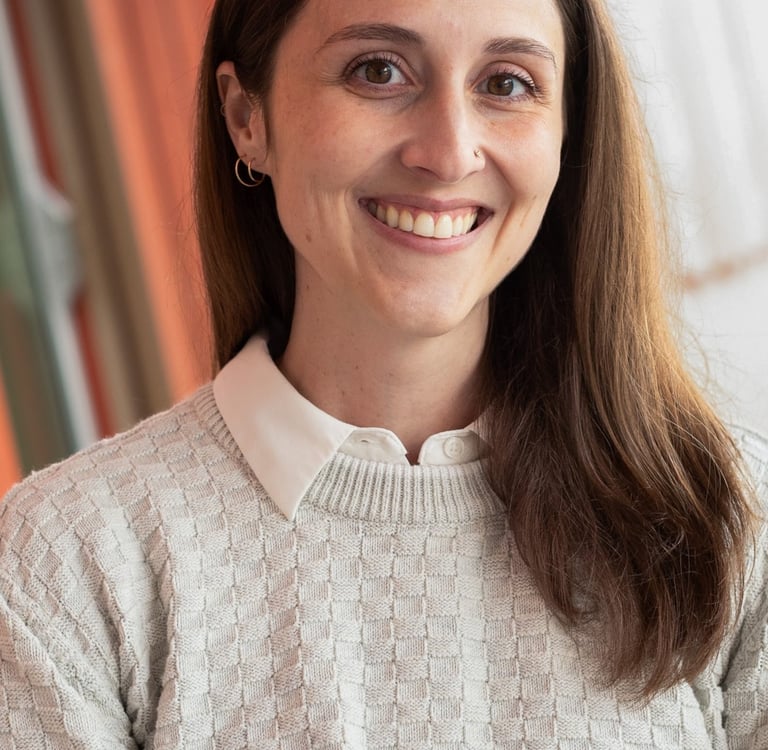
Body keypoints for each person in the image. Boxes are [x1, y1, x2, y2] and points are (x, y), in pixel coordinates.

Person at [1, 0, 766, 746]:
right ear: (246, 117)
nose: (449, 150)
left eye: (506, 83)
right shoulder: (69, 566)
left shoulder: (732, 518)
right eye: (378, 70)